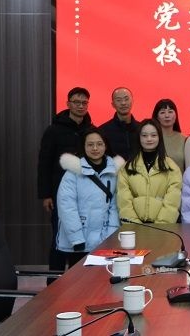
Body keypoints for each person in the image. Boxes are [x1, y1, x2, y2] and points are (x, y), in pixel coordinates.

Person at [37, 86, 94, 275]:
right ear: (68, 103)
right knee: (59, 238)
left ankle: (77, 281)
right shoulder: (53, 130)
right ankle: (54, 281)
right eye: (76, 102)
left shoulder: (91, 130)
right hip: (59, 193)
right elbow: (44, 163)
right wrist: (45, 195)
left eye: (84, 102)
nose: (80, 106)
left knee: (82, 238)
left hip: (85, 193)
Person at [56, 129, 122, 266]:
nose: (95, 148)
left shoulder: (114, 172)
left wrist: (111, 237)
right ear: (83, 146)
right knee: (78, 277)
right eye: (90, 144)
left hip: (104, 240)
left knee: (104, 276)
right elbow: (67, 207)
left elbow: (115, 207)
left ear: (106, 146)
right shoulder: (72, 173)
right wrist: (77, 239)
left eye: (99, 144)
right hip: (79, 242)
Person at [117, 119, 182, 223]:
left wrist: (160, 227)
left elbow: (172, 203)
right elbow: (124, 202)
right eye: (144, 135)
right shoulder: (127, 168)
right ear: (138, 138)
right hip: (134, 228)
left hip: (163, 229)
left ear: (159, 137)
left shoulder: (171, 168)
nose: (149, 139)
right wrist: (135, 226)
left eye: (153, 135)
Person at [100, 87, 139, 160]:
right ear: (113, 104)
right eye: (119, 100)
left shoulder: (142, 128)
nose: (123, 103)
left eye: (126, 99)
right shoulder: (102, 131)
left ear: (132, 101)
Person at [152, 98, 186, 170]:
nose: (167, 115)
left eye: (170, 112)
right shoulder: (151, 138)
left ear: (176, 115)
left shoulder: (185, 140)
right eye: (162, 112)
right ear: (157, 117)